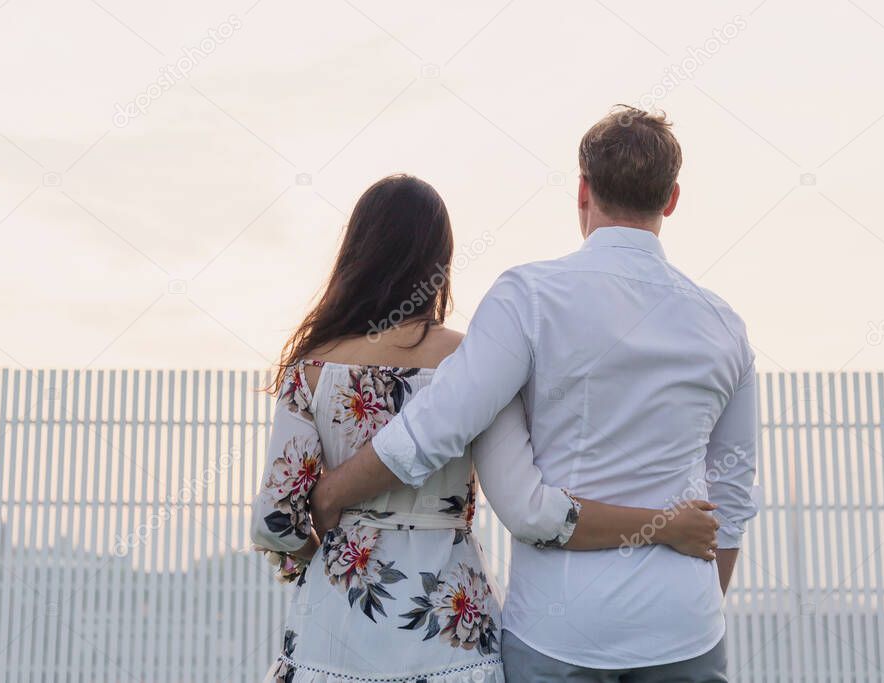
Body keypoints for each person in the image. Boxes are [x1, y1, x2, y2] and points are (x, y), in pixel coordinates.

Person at [251, 173, 723, 682]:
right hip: (451, 627)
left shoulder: (312, 368)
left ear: (354, 253)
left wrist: (330, 555)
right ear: (438, 262)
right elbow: (523, 500)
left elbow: (274, 522)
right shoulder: (471, 357)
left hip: (334, 633)